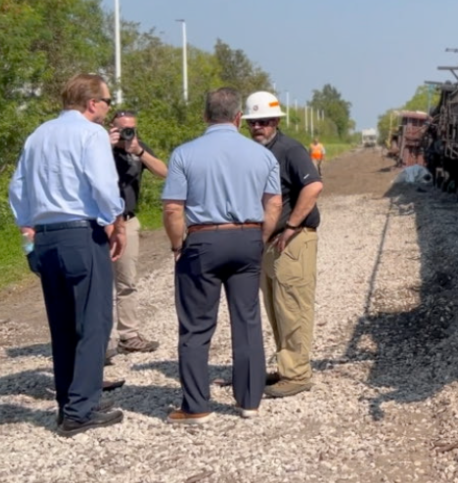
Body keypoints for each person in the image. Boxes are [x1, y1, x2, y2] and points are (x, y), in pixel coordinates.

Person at [7, 73, 127, 435]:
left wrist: (28, 226)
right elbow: (104, 184)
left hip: (46, 237)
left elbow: (17, 188)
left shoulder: (38, 135)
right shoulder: (89, 134)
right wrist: (114, 220)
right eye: (106, 102)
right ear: (92, 103)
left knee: (62, 326)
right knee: (93, 322)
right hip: (79, 234)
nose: (107, 110)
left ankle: (71, 399)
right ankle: (81, 410)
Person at [162, 87, 281, 423]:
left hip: (203, 240)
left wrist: (176, 245)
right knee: (247, 319)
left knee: (197, 326)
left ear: (205, 116)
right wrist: (260, 236)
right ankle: (249, 402)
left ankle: (197, 405)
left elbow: (173, 208)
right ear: (238, 118)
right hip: (247, 237)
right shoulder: (263, 155)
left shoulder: (184, 154)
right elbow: (273, 203)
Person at [244, 91, 323, 398]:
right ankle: (285, 366)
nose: (257, 128)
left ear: (276, 121)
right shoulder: (259, 151)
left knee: (293, 308)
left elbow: (314, 186)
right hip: (271, 242)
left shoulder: (290, 149)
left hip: (294, 240)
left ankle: (297, 374)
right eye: (252, 123)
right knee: (276, 309)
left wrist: (291, 226)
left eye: (263, 122)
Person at [108, 109, 168, 354]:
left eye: (131, 128)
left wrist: (139, 152)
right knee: (102, 283)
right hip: (100, 222)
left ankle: (128, 334)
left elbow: (165, 172)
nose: (126, 133)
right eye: (121, 128)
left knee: (127, 281)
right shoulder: (98, 148)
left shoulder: (137, 147)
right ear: (112, 128)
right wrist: (105, 144)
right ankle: (105, 339)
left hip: (128, 220)